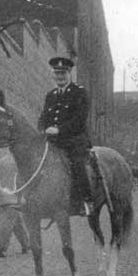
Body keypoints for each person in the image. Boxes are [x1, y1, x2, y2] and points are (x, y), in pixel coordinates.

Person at [38, 56, 94, 216]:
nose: (60, 77)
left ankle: (86, 201)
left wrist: (59, 130)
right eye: (57, 73)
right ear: (53, 75)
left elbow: (80, 119)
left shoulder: (79, 92)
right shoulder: (50, 95)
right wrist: (42, 129)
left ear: (70, 73)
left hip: (74, 140)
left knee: (77, 165)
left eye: (63, 73)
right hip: (53, 142)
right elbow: (43, 118)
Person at [0, 151, 29, 258]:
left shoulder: (0, 162)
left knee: (17, 223)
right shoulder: (20, 163)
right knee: (8, 225)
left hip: (3, 197)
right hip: (16, 197)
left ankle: (26, 244)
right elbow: (23, 181)